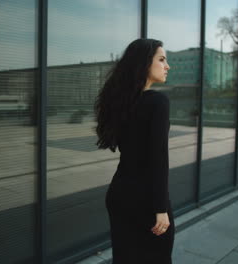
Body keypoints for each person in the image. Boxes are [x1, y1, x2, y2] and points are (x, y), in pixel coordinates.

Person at [95, 39, 173, 263]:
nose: (167, 66)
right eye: (161, 59)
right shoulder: (157, 101)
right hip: (146, 201)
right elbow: (158, 158)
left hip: (120, 195)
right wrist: (160, 208)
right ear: (143, 63)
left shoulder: (119, 102)